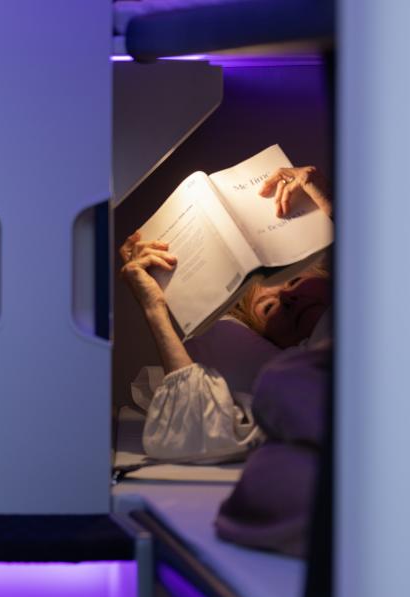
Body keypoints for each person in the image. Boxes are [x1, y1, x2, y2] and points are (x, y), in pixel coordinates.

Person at [118, 165, 332, 462]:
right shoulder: (292, 380)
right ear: (271, 342)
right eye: (267, 309)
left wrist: (331, 210)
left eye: (296, 280)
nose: (287, 297)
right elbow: (199, 434)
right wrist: (154, 308)